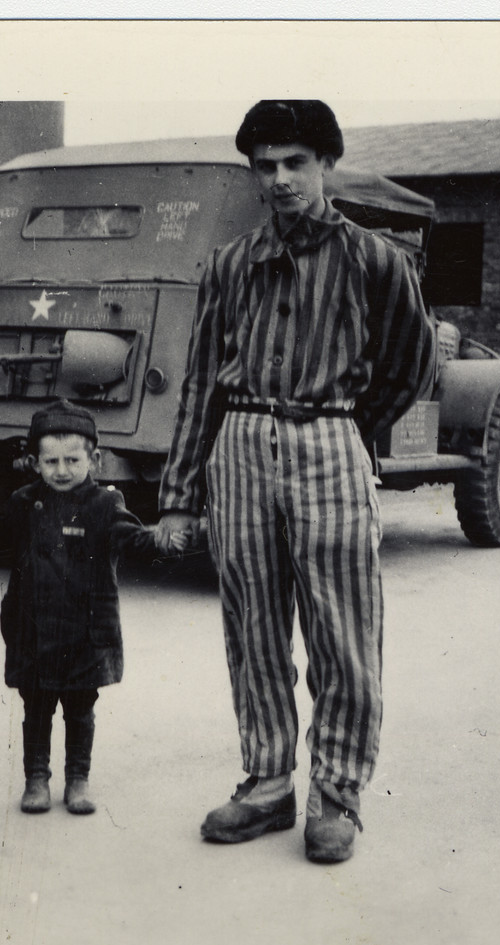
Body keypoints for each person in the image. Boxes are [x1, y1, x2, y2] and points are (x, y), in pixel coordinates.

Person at [152, 100, 436, 864]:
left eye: (295, 163)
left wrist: (344, 425)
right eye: (265, 166)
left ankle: (336, 792)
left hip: (329, 438)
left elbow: (412, 365)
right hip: (240, 443)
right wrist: (179, 495)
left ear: (328, 165)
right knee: (254, 629)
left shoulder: (376, 260)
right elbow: (203, 383)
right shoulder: (229, 264)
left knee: (343, 630)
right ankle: (268, 780)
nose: (279, 179)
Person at [0, 400, 161, 817]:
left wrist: (167, 538)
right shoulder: (21, 502)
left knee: (79, 709)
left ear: (95, 459)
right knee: (36, 708)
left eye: (73, 460)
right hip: (32, 626)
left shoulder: (105, 505)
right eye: (50, 461)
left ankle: (77, 780)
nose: (62, 470)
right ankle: (36, 778)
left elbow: (134, 539)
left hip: (84, 630)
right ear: (35, 462)